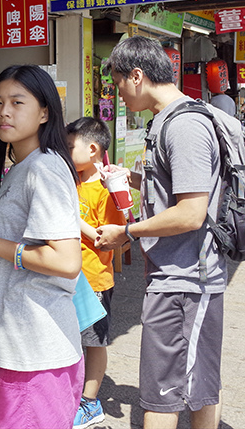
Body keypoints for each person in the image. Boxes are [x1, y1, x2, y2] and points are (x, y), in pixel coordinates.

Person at [95, 35, 225, 429]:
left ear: (136, 76)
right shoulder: (170, 121)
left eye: (117, 83)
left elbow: (190, 213)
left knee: (161, 397)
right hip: (181, 276)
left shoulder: (183, 126)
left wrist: (127, 231)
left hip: (186, 280)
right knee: (198, 385)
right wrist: (132, 178)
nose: (118, 94)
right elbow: (176, 189)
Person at [0, 64, 83, 429]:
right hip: (26, 341)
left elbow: (66, 260)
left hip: (36, 346)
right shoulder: (26, 166)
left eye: (17, 102)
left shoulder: (43, 169)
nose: (4, 112)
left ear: (44, 112)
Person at [66, 117, 126, 429]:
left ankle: (89, 402)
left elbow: (109, 241)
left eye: (69, 145)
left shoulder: (106, 190)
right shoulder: (68, 180)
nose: (64, 150)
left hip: (94, 281)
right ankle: (72, 395)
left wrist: (73, 219)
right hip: (66, 277)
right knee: (72, 340)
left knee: (94, 342)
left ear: (92, 150)